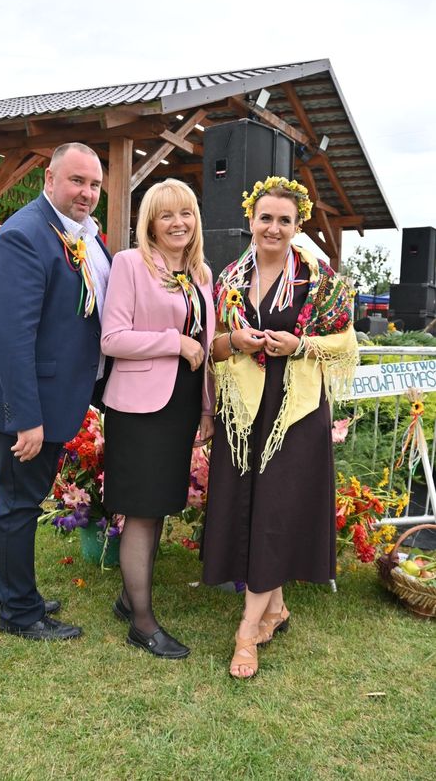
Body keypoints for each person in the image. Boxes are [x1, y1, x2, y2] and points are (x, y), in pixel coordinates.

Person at [201, 176, 358, 678]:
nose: (273, 227)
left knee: (277, 506)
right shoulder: (227, 278)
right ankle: (274, 609)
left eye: (283, 220)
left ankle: (247, 632)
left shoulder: (320, 279)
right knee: (250, 504)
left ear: (297, 225)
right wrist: (238, 342)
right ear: (251, 220)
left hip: (295, 412)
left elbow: (345, 343)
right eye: (265, 217)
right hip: (243, 411)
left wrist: (300, 345)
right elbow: (214, 348)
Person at [0, 142, 111, 640]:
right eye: (77, 181)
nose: (87, 192)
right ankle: (20, 612)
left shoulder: (81, 235)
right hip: (24, 403)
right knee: (19, 505)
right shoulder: (25, 235)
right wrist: (25, 417)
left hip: (53, 396)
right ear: (50, 179)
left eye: (94, 184)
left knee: (17, 500)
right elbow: (10, 335)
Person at [101, 178, 215, 659]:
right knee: (142, 511)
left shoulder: (201, 274)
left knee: (161, 504)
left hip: (183, 404)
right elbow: (113, 338)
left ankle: (130, 599)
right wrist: (175, 341)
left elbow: (206, 347)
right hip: (139, 408)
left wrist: (207, 406)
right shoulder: (130, 264)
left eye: (186, 213)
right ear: (150, 220)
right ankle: (142, 624)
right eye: (167, 214)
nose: (178, 223)